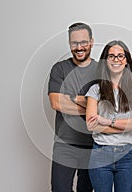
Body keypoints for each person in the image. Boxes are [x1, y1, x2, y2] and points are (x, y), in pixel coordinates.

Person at [85, 40, 132, 192]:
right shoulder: (95, 89)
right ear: (105, 60)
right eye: (111, 56)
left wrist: (107, 121)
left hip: (128, 156)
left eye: (120, 56)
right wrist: (128, 124)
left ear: (126, 61)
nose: (116, 60)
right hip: (101, 154)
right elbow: (91, 125)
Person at [48, 22, 98, 192]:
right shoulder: (60, 69)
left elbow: (107, 106)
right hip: (64, 145)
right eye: (74, 43)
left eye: (83, 42)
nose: (79, 47)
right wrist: (90, 105)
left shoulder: (101, 70)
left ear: (91, 42)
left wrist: (71, 98)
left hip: (94, 145)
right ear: (69, 44)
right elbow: (56, 103)